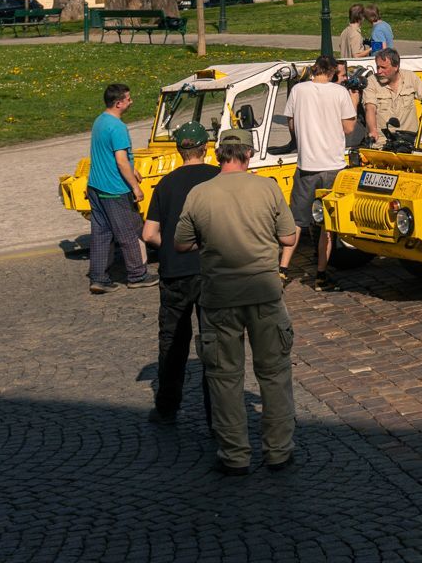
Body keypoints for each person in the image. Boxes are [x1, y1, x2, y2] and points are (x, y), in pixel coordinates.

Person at [174, 133, 299, 475]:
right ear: (248, 152)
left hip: (219, 298)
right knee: (274, 375)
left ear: (217, 156)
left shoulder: (199, 194)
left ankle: (234, 455)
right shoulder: (268, 188)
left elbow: (181, 244)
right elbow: (288, 237)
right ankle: (278, 451)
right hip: (264, 293)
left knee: (224, 378)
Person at [142, 121, 220, 424]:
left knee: (173, 339)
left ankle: (167, 406)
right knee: (214, 343)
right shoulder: (217, 178)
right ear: (206, 147)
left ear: (179, 149)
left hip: (176, 271)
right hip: (211, 270)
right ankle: (217, 412)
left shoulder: (166, 184)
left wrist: (173, 248)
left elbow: (149, 233)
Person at [285, 54, 355, 284]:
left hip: (307, 164)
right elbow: (348, 128)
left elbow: (292, 124)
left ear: (314, 69)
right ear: (334, 72)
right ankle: (321, 274)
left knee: (297, 220)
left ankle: (283, 267)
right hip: (333, 165)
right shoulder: (340, 92)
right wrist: (354, 101)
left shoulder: (298, 90)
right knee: (326, 222)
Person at [86, 83, 153, 294]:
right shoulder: (118, 128)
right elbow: (121, 161)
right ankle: (137, 275)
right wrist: (135, 187)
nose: (131, 102)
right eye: (128, 99)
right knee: (129, 233)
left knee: (101, 233)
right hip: (113, 189)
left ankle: (99, 278)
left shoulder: (100, 121)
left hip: (95, 186)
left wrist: (132, 170)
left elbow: (108, 155)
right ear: (118, 103)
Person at [363, 48, 422, 148]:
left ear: (396, 67)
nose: (379, 71)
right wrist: (373, 131)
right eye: (377, 67)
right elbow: (370, 108)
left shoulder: (410, 77)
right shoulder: (371, 82)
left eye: (384, 67)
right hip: (383, 143)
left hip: (410, 142)